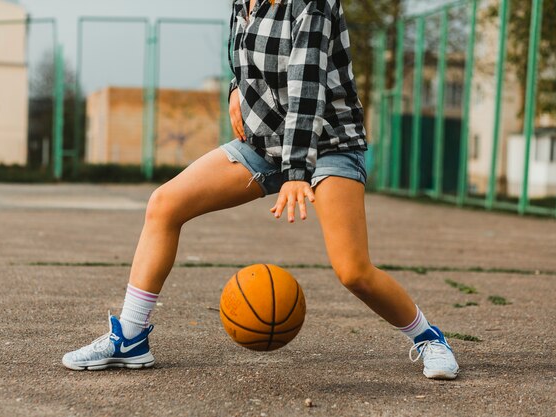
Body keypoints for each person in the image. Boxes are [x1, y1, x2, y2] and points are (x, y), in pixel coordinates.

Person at [62, 0, 459, 380]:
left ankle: (428, 338)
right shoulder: (243, 2)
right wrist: (235, 89)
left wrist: (297, 173)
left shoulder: (310, 3)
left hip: (328, 145)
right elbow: (240, 55)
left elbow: (308, 87)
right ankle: (130, 337)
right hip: (263, 143)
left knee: (353, 272)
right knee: (165, 205)